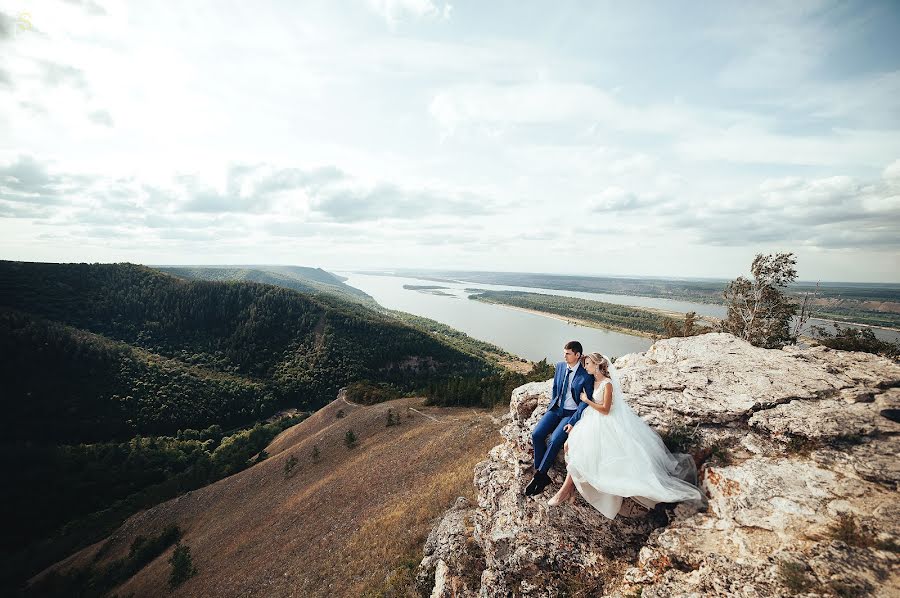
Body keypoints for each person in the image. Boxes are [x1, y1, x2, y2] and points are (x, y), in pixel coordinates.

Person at [547, 352, 705, 518]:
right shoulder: (592, 380)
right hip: (592, 418)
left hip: (605, 419)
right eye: (585, 364)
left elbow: (606, 410)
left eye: (588, 364)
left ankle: (566, 489)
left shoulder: (607, 384)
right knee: (569, 445)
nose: (585, 367)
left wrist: (587, 401)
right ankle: (570, 488)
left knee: (586, 450)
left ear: (597, 365)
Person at [524, 341, 595, 497]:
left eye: (568, 353)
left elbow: (586, 400)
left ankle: (539, 476)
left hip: (571, 413)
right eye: (564, 353)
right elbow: (556, 387)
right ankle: (540, 474)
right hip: (556, 409)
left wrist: (573, 420)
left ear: (578, 355)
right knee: (536, 434)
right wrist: (552, 404)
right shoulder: (560, 366)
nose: (565, 356)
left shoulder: (585, 374)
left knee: (555, 440)